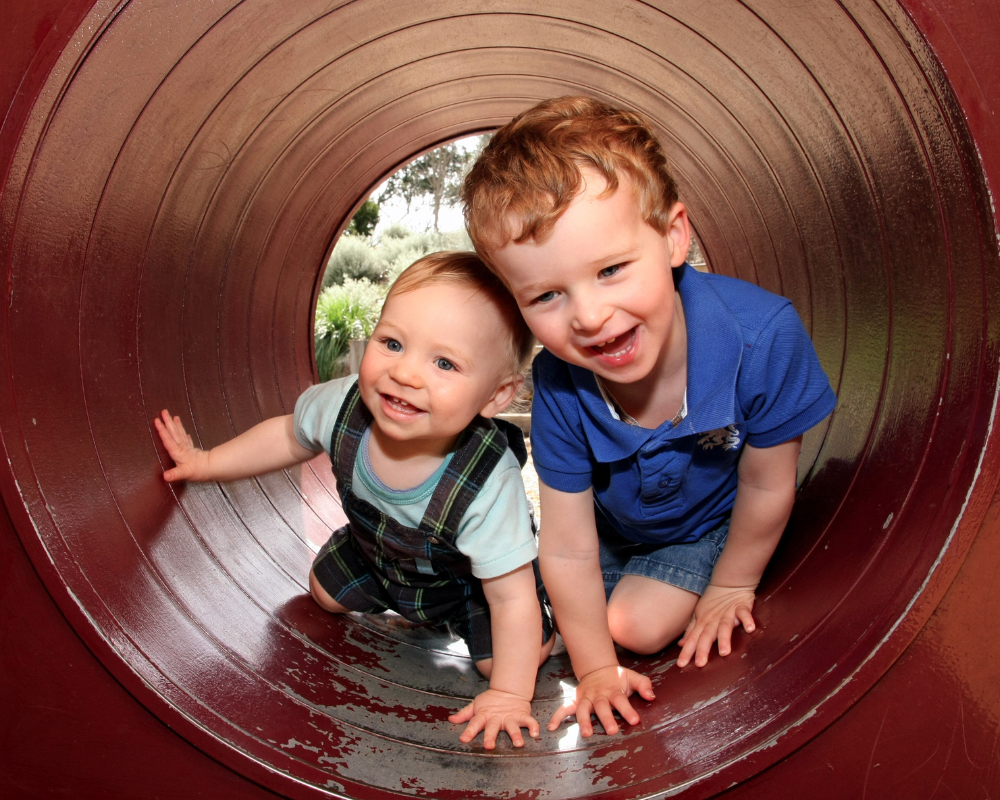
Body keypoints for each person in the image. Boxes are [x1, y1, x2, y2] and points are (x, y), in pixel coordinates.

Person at [461, 96, 837, 738]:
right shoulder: (561, 382)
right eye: (546, 295)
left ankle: (670, 585)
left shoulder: (761, 337)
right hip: (613, 531)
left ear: (673, 237)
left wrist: (730, 586)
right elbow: (570, 545)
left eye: (610, 270)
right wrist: (596, 672)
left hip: (705, 525)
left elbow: (768, 482)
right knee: (515, 636)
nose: (587, 316)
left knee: (633, 624)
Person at [154, 251, 556, 750]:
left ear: (497, 396)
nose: (405, 373)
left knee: (501, 659)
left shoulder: (486, 482)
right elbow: (286, 436)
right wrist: (207, 462)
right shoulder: (344, 404)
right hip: (377, 555)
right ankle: (395, 598)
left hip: (469, 585)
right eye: (392, 343)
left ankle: (546, 627)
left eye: (445, 362)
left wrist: (510, 695)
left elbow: (508, 597)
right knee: (321, 593)